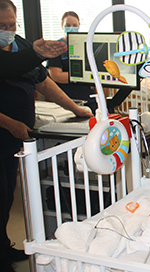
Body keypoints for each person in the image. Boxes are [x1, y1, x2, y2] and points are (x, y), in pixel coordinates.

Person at [0, 1, 93, 271]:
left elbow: (44, 83)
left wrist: (76, 108)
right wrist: (9, 124)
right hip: (6, 130)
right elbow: (8, 67)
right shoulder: (17, 55)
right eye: (1, 26)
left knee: (6, 195)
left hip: (16, 137)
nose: (7, 30)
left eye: (11, 24)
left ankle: (3, 248)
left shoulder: (20, 45)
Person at [47, 11, 97, 113]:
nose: (71, 27)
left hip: (89, 98)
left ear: (79, 25)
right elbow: (56, 76)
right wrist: (85, 76)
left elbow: (96, 71)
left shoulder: (87, 46)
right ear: (62, 26)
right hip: (66, 100)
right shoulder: (56, 47)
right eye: (67, 25)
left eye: (74, 25)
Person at [0, 38, 67, 78]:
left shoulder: (22, 43)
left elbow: (43, 82)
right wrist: (35, 54)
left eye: (12, 25)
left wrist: (38, 54)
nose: (8, 30)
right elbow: (8, 65)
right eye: (2, 25)